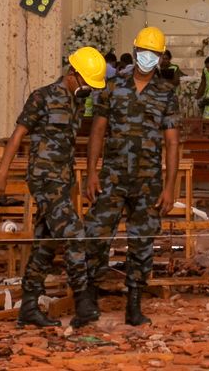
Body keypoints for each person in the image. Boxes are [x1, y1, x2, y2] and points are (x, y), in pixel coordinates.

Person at [0, 46, 107, 327]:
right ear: (72, 74)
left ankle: (29, 307)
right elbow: (18, 135)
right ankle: (83, 302)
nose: (89, 90)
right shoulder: (42, 97)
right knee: (75, 233)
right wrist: (1, 173)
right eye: (87, 83)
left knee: (46, 243)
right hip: (44, 179)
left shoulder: (77, 102)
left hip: (62, 180)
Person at [79, 26, 181, 327]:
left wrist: (169, 187)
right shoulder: (112, 87)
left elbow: (173, 142)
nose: (147, 58)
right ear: (135, 51)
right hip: (111, 177)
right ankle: (88, 299)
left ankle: (134, 303)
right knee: (96, 235)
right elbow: (97, 130)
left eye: (154, 54)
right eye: (143, 52)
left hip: (148, 181)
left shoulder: (166, 94)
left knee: (143, 241)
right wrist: (91, 173)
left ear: (161, 58)